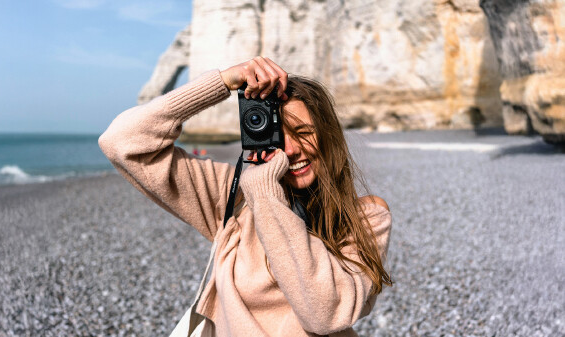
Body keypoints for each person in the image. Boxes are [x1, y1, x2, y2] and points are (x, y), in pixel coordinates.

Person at [99, 57, 393, 337]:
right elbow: (121, 141)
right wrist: (224, 82)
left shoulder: (365, 218)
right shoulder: (235, 196)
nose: (290, 150)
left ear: (328, 135)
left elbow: (324, 313)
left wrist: (266, 194)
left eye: (303, 132)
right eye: (278, 134)